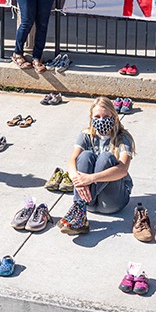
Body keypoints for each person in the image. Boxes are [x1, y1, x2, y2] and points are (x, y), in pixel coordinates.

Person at [58, 97, 135, 234]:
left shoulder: (122, 137)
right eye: (97, 116)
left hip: (112, 202)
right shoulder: (86, 135)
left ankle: (79, 207)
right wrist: (77, 179)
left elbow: (123, 170)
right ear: (91, 117)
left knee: (106, 157)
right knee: (85, 155)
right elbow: (72, 160)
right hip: (90, 203)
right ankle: (80, 208)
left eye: (106, 116)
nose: (101, 120)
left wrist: (91, 178)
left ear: (114, 116)